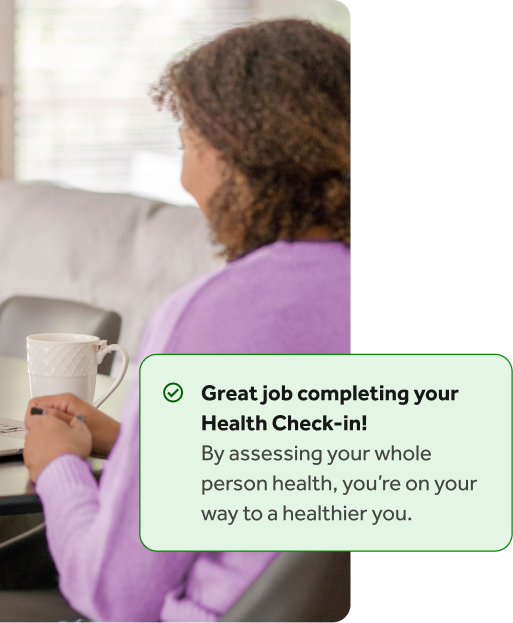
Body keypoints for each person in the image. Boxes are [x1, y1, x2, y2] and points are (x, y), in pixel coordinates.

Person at [22, 19, 354, 623]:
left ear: (232, 160)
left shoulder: (219, 313)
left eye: (187, 145)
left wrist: (59, 465)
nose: (185, 177)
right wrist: (138, 449)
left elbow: (115, 595)